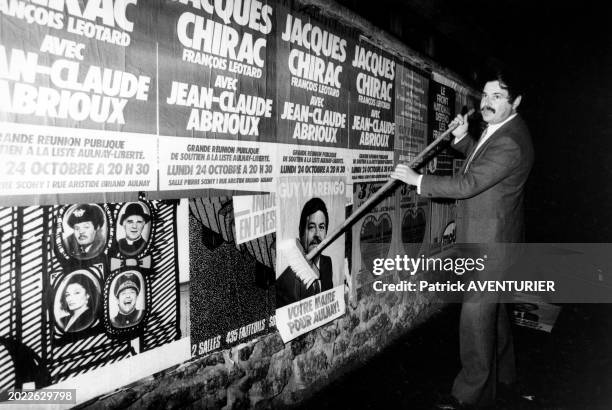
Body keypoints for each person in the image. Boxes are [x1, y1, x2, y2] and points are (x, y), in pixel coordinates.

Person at [391, 68, 534, 409]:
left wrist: (418, 181)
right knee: (493, 317)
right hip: (497, 240)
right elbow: (479, 160)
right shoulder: (499, 130)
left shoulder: (511, 141)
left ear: (516, 101)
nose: (487, 102)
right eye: (485, 95)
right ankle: (505, 378)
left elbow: (469, 183)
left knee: (474, 321)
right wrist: (462, 138)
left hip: (491, 246)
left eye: (497, 97)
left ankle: (469, 397)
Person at [276, 198, 334, 308]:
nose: (317, 234)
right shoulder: (288, 278)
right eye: (311, 227)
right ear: (301, 231)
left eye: (321, 227)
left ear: (326, 232)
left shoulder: (327, 263)